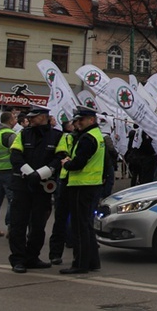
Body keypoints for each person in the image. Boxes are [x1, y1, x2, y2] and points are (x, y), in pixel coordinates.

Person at [8, 106, 68, 274]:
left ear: (43, 117)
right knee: (19, 223)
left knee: (38, 225)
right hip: (22, 185)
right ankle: (18, 259)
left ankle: (32, 257)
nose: (30, 120)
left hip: (43, 187)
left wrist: (42, 173)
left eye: (34, 117)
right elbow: (15, 155)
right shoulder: (23, 134)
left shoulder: (57, 136)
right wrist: (29, 172)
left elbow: (60, 157)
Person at [59, 106, 104, 274]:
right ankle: (92, 261)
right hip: (91, 185)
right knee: (87, 225)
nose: (77, 123)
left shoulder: (87, 138)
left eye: (80, 120)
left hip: (81, 185)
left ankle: (80, 263)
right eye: (76, 121)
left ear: (91, 120)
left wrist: (67, 164)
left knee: (80, 227)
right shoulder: (96, 135)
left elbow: (79, 163)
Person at [48, 120, 75, 265]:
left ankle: (81, 254)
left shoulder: (89, 137)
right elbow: (60, 156)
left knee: (80, 220)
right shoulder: (65, 138)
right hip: (65, 181)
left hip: (82, 185)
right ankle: (55, 254)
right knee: (61, 219)